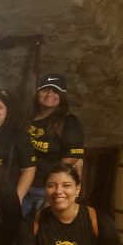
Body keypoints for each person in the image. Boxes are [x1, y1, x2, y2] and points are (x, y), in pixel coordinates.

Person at [22, 74, 85, 215]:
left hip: (44, 189)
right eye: (45, 90)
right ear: (38, 93)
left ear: (62, 95)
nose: (49, 94)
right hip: (22, 185)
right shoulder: (27, 118)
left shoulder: (69, 122)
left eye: (55, 91)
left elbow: (68, 162)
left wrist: (52, 196)